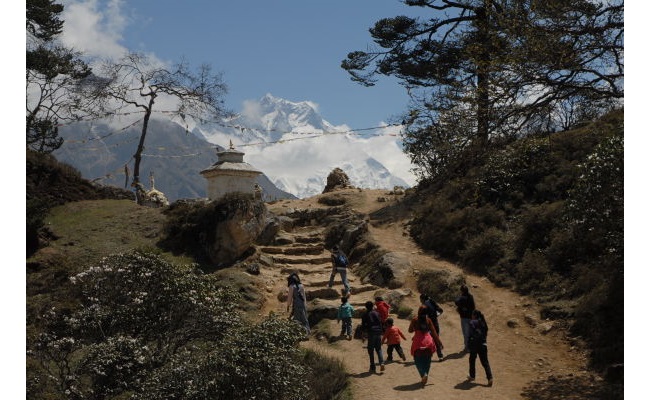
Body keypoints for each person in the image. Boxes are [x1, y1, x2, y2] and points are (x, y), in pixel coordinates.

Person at [409, 312, 438, 387]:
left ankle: (423, 374)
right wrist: (439, 343)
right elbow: (434, 332)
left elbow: (410, 330)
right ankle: (426, 375)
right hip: (428, 342)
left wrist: (414, 325)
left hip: (418, 343)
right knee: (427, 361)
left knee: (418, 361)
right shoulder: (428, 320)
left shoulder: (415, 320)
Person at [467, 309, 493, 386]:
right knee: (485, 362)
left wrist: (469, 343)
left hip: (474, 345)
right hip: (483, 344)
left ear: (474, 315)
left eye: (472, 315)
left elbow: (470, 334)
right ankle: (490, 378)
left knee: (472, 360)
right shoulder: (483, 323)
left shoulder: (472, 322)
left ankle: (472, 376)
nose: (471, 316)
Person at [361, 300, 385, 373]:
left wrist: (363, 335)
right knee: (379, 349)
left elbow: (364, 325)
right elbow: (381, 322)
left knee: (370, 350)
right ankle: (382, 363)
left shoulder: (365, 314)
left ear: (366, 307)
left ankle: (373, 366)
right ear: (373, 306)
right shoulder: (377, 313)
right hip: (378, 332)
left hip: (371, 332)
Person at [420, 293, 445, 361]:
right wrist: (435, 315)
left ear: (422, 299)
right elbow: (441, 310)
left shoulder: (424, 306)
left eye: (420, 299)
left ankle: (426, 356)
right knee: (436, 339)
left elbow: (422, 317)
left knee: (426, 340)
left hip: (428, 326)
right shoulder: (431, 301)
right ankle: (440, 356)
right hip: (435, 324)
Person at [286, 272, 310, 337]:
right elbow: (304, 297)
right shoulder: (301, 285)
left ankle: (297, 334)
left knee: (297, 319)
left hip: (296, 305)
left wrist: (288, 305)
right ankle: (306, 334)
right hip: (302, 305)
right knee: (304, 319)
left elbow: (290, 298)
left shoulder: (291, 287)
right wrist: (305, 305)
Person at [454, 284, 475, 351]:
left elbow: (456, 302)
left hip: (464, 318)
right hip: (471, 317)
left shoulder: (462, 298)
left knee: (465, 333)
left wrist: (461, 307)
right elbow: (473, 307)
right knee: (471, 332)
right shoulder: (471, 297)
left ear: (462, 291)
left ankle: (467, 347)